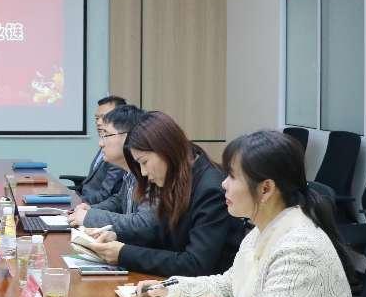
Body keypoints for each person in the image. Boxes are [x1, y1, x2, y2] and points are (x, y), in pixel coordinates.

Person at [134, 131, 364, 297]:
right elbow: (228, 285)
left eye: (232, 177)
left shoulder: (300, 248)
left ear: (266, 189)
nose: (223, 184)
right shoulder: (262, 230)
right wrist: (171, 289)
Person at [84, 111, 242, 276]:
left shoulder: (210, 188)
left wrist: (123, 253)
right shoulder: (176, 177)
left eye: (144, 162)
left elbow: (196, 264)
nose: (143, 172)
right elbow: (162, 238)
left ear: (166, 150)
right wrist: (117, 239)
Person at [67, 105, 157, 245]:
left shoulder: (151, 174)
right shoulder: (130, 172)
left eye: (106, 135)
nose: (100, 143)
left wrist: (90, 217)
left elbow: (142, 223)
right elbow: (119, 201)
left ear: (129, 137)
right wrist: (91, 209)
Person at [77, 95, 128, 204]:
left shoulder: (119, 153)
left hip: (91, 204)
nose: (99, 122)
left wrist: (79, 203)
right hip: (85, 201)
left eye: (104, 117)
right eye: (97, 118)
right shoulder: (106, 142)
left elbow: (105, 195)